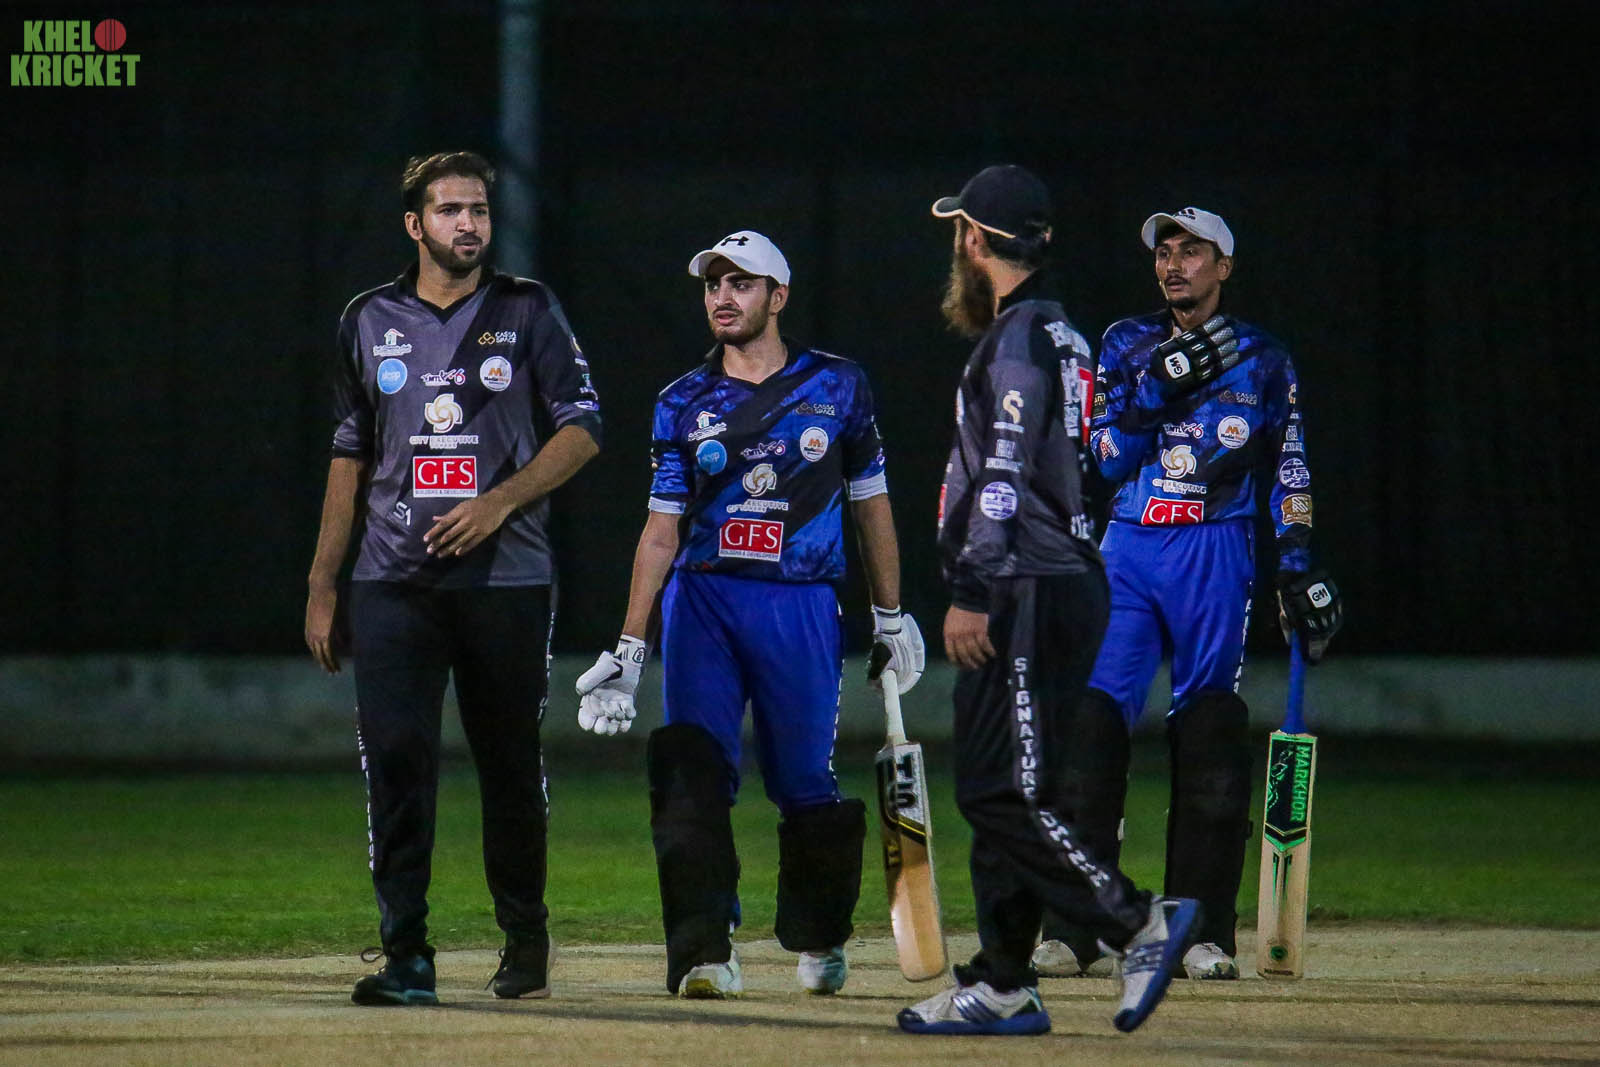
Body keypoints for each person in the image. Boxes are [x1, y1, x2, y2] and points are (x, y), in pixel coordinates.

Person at [574, 229, 924, 1000]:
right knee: (692, 773)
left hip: (801, 601)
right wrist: (630, 646)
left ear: (778, 295)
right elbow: (660, 529)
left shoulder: (838, 386)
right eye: (713, 284)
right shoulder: (681, 401)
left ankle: (821, 931)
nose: (722, 297)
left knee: (803, 780)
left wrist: (891, 616)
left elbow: (871, 505)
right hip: (703, 600)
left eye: (740, 283)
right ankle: (704, 947)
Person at [897, 165, 1199, 1038]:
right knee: (1010, 788)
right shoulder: (1062, 331)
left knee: (1001, 792)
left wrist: (970, 588)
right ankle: (1003, 981)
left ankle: (1136, 922)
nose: (957, 246)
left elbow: (1004, 465)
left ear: (976, 240)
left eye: (960, 231)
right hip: (1055, 578)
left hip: (1025, 583)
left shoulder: (1020, 337)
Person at [304, 151, 602, 1006]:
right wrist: (323, 582)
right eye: (449, 210)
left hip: (506, 582)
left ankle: (526, 939)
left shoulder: (528, 307)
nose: (468, 224)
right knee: (396, 762)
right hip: (392, 580)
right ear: (415, 224)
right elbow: (349, 452)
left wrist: (498, 502)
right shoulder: (368, 318)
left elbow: (584, 428)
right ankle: (408, 956)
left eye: (478, 210)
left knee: (508, 763)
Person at [1033, 206, 1343, 982]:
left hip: (1216, 548)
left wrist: (1296, 564)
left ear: (1224, 267)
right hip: (1130, 547)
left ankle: (1199, 928)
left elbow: (1291, 466)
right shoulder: (1124, 343)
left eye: (1192, 251)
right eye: (1164, 251)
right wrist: (1157, 388)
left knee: (1209, 729)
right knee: (1090, 725)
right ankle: (1075, 926)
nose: (1174, 264)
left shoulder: (1265, 358)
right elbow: (1099, 458)